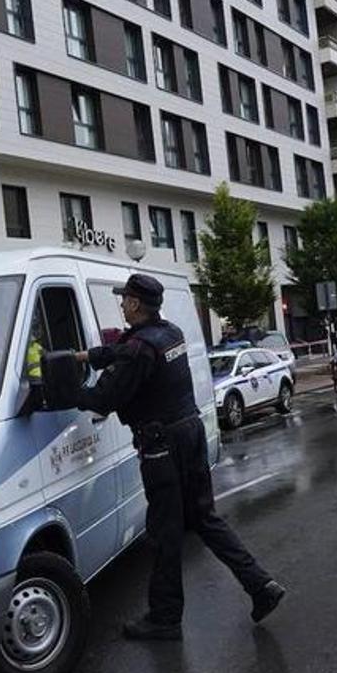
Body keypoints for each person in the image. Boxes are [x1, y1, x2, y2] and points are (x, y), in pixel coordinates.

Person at [45, 274, 285, 640]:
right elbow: (120, 351)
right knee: (205, 519)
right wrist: (81, 356)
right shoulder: (168, 333)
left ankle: (165, 618)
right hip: (189, 434)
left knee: (164, 533)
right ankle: (261, 585)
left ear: (137, 304)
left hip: (162, 447)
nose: (122, 304)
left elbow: (103, 399)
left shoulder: (141, 348)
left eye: (125, 299)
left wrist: (64, 389)